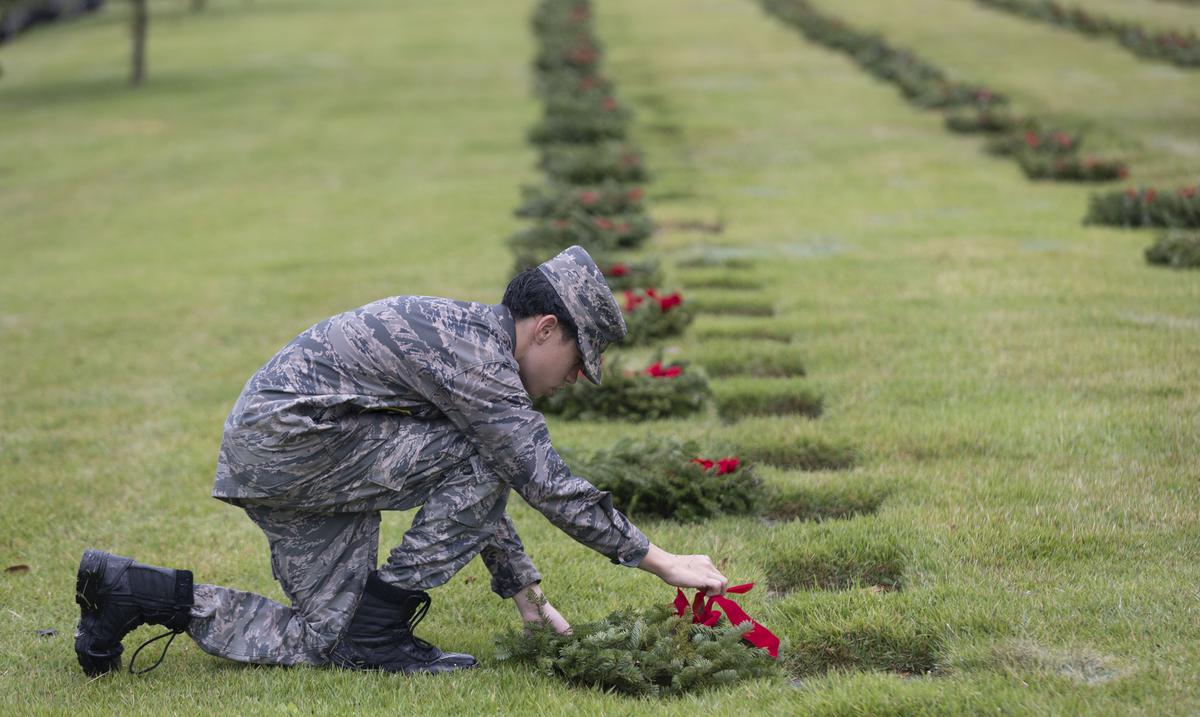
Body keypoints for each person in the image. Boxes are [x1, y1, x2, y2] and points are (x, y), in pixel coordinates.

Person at [74, 245, 729, 676]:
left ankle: (132, 591)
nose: (570, 379)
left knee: (327, 642)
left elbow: (476, 476)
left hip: (291, 454)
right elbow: (535, 477)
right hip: (295, 444)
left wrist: (522, 587)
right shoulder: (480, 358)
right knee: (494, 455)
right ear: (545, 328)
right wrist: (658, 559)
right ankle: (382, 627)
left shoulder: (480, 350)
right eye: (577, 362)